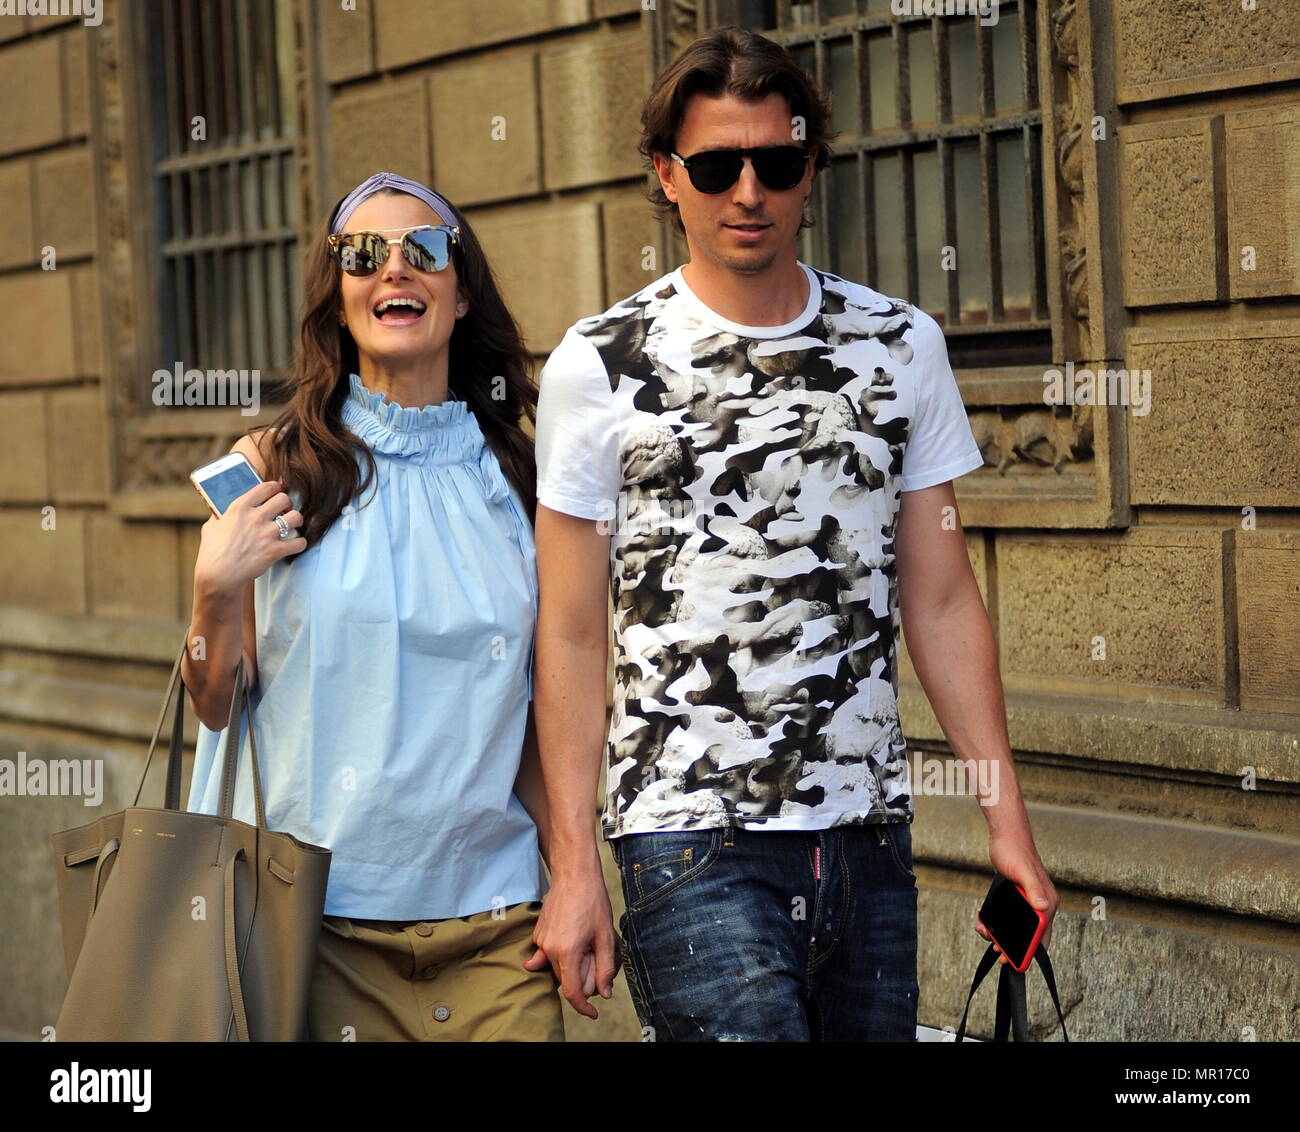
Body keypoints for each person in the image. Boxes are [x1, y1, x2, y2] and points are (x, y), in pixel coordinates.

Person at [526, 26, 1059, 1041]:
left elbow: (941, 599)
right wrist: (571, 869)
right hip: (687, 840)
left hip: (865, 837)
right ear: (666, 177)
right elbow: (569, 631)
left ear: (809, 165)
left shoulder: (899, 346)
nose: (747, 192)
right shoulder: (598, 366)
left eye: (775, 162)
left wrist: (1006, 823)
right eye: (716, 166)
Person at [183, 171, 563, 1042]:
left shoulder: (515, 477)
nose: (395, 268)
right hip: (312, 924)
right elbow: (214, 700)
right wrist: (215, 590)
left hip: (497, 923)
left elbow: (543, 709)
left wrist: (578, 876)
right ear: (340, 295)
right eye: (364, 254)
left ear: (461, 292)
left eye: (424, 249)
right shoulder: (278, 465)